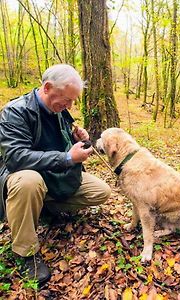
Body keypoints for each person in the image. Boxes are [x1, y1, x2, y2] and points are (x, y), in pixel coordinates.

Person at [0, 64, 111, 285]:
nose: (70, 105)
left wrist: (77, 139)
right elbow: (16, 158)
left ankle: (41, 209)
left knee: (101, 191)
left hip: (54, 175)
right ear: (48, 87)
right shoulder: (15, 111)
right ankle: (25, 253)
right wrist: (68, 158)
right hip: (23, 177)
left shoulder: (58, 110)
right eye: (67, 99)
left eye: (72, 101)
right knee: (29, 182)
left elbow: (60, 142)